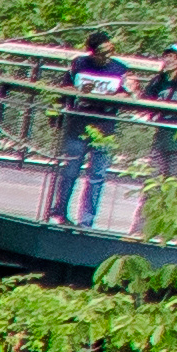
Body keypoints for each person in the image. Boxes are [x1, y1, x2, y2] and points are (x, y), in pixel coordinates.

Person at [49, 34, 127, 223]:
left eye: (110, 51)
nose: (107, 56)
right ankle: (59, 212)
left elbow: (127, 95)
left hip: (105, 127)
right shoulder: (79, 65)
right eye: (102, 52)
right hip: (78, 124)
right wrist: (56, 114)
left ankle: (87, 221)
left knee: (97, 176)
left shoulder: (120, 69)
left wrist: (119, 96)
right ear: (92, 52)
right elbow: (63, 89)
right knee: (70, 170)